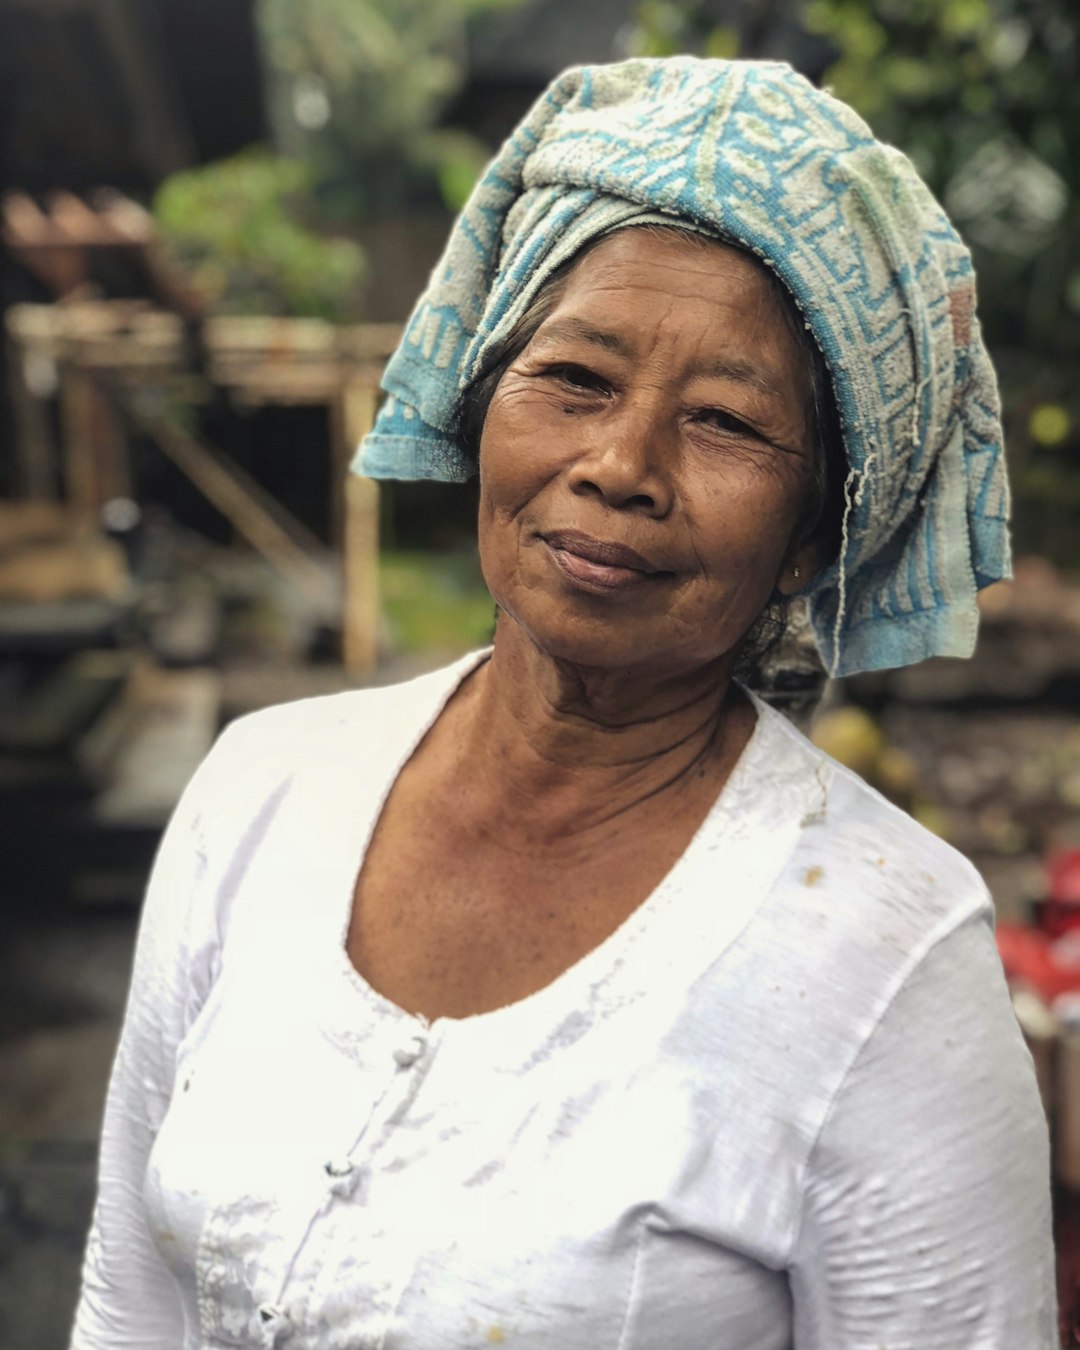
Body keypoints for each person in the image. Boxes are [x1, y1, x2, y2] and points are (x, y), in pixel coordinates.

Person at [71, 57, 1056, 1349]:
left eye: (723, 422)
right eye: (576, 379)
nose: (619, 464)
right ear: (486, 397)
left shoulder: (890, 956)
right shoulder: (257, 788)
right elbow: (128, 1306)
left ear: (814, 539)